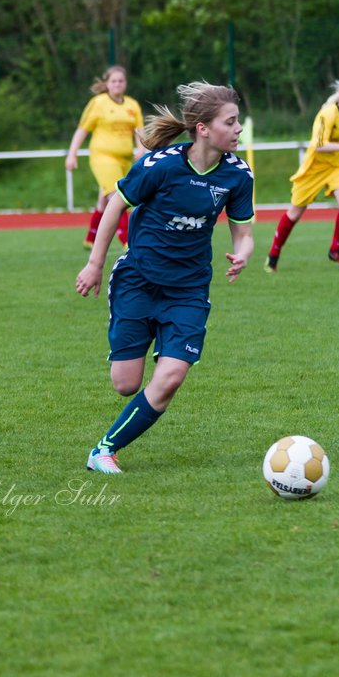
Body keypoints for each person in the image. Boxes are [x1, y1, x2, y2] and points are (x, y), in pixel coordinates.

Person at [75, 82, 254, 474]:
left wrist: (241, 254)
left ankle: (104, 450)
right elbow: (115, 205)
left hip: (188, 290)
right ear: (203, 128)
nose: (239, 128)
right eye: (231, 121)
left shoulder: (238, 176)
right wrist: (95, 263)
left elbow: (244, 233)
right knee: (125, 383)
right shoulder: (162, 165)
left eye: (237, 120)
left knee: (171, 377)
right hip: (138, 281)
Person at [264, 75, 339, 272]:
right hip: (313, 167)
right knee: (295, 213)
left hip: (336, 166)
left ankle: (335, 250)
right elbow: (319, 146)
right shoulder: (328, 114)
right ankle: (273, 254)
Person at [66, 66, 145, 250]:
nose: (117, 84)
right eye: (113, 81)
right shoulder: (98, 102)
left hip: (125, 160)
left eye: (121, 81)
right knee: (118, 196)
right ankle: (127, 240)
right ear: (107, 83)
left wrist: (141, 149)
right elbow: (82, 129)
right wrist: (72, 154)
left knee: (104, 198)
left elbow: (139, 131)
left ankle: (90, 238)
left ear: (126, 83)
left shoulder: (132, 105)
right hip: (103, 157)